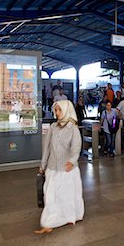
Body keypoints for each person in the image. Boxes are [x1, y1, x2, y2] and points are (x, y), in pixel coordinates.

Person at [36, 100, 84, 234]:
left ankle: (71, 216)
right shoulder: (53, 127)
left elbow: (76, 147)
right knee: (50, 195)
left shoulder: (73, 128)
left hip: (67, 170)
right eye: (55, 110)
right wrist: (43, 165)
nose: (57, 113)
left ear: (66, 110)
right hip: (52, 168)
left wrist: (72, 161)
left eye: (59, 110)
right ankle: (49, 222)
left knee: (67, 196)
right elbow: (46, 148)